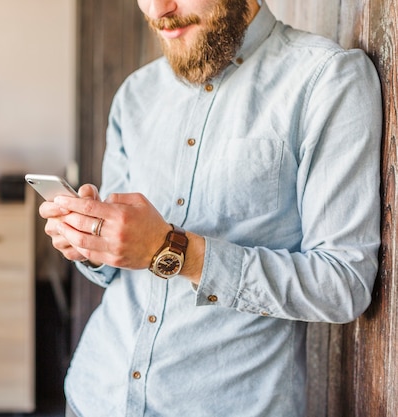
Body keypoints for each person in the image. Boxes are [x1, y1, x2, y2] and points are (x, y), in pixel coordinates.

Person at [39, 0, 382, 415]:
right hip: (93, 393)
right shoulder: (135, 94)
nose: (157, 10)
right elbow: (114, 269)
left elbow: (343, 283)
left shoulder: (326, 79)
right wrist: (88, 242)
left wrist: (174, 251)